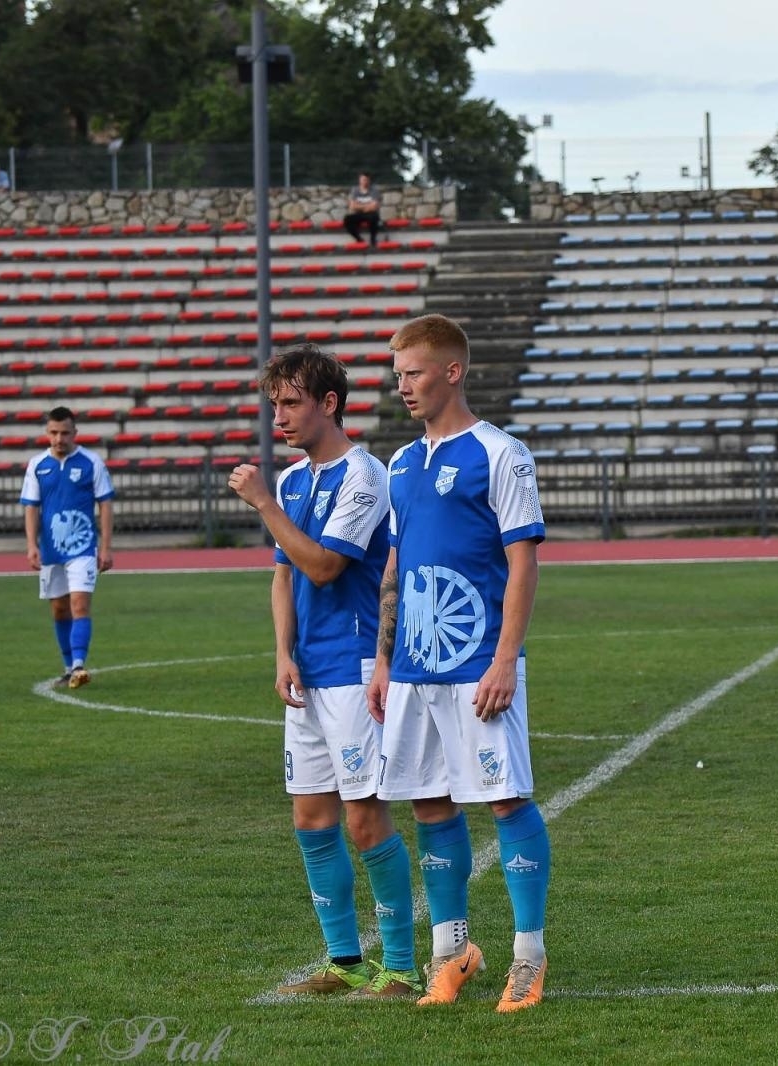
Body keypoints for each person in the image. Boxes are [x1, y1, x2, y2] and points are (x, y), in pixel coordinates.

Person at [366, 313, 552, 1011]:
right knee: (429, 803)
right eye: (396, 375)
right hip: (414, 667)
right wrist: (384, 661)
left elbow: (523, 560)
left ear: (451, 371)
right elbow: (396, 562)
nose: (402, 387)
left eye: (412, 373)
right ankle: (452, 952)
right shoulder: (402, 463)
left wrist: (505, 659)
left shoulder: (501, 453)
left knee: (505, 799)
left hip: (478, 663)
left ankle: (529, 958)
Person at [227, 344, 420, 998]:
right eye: (273, 403)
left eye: (290, 403)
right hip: (307, 674)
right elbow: (283, 578)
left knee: (365, 819)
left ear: (329, 403)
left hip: (354, 666)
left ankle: (398, 964)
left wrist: (261, 504)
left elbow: (324, 566)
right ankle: (345, 960)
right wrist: (283, 653)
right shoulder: (291, 480)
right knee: (311, 820)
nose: (278, 416)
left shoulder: (364, 477)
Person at [21, 407, 114, 688]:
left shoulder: (91, 462)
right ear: (46, 433)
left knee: (79, 605)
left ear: (75, 433)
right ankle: (67, 667)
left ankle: (78, 666)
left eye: (64, 433)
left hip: (83, 548)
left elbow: (106, 504)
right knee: (60, 610)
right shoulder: (37, 465)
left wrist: (106, 547)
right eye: (53, 432)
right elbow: (31, 508)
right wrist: (31, 546)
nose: (59, 438)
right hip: (51, 551)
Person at [343, 173, 382, 248]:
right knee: (347, 219)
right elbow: (352, 206)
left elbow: (374, 206)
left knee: (374, 218)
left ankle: (373, 239)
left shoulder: (374, 190)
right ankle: (359, 239)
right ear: (360, 180)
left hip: (370, 214)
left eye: (366, 180)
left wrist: (359, 206)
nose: (365, 182)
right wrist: (367, 206)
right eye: (363, 180)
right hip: (359, 214)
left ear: (369, 181)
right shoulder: (355, 190)